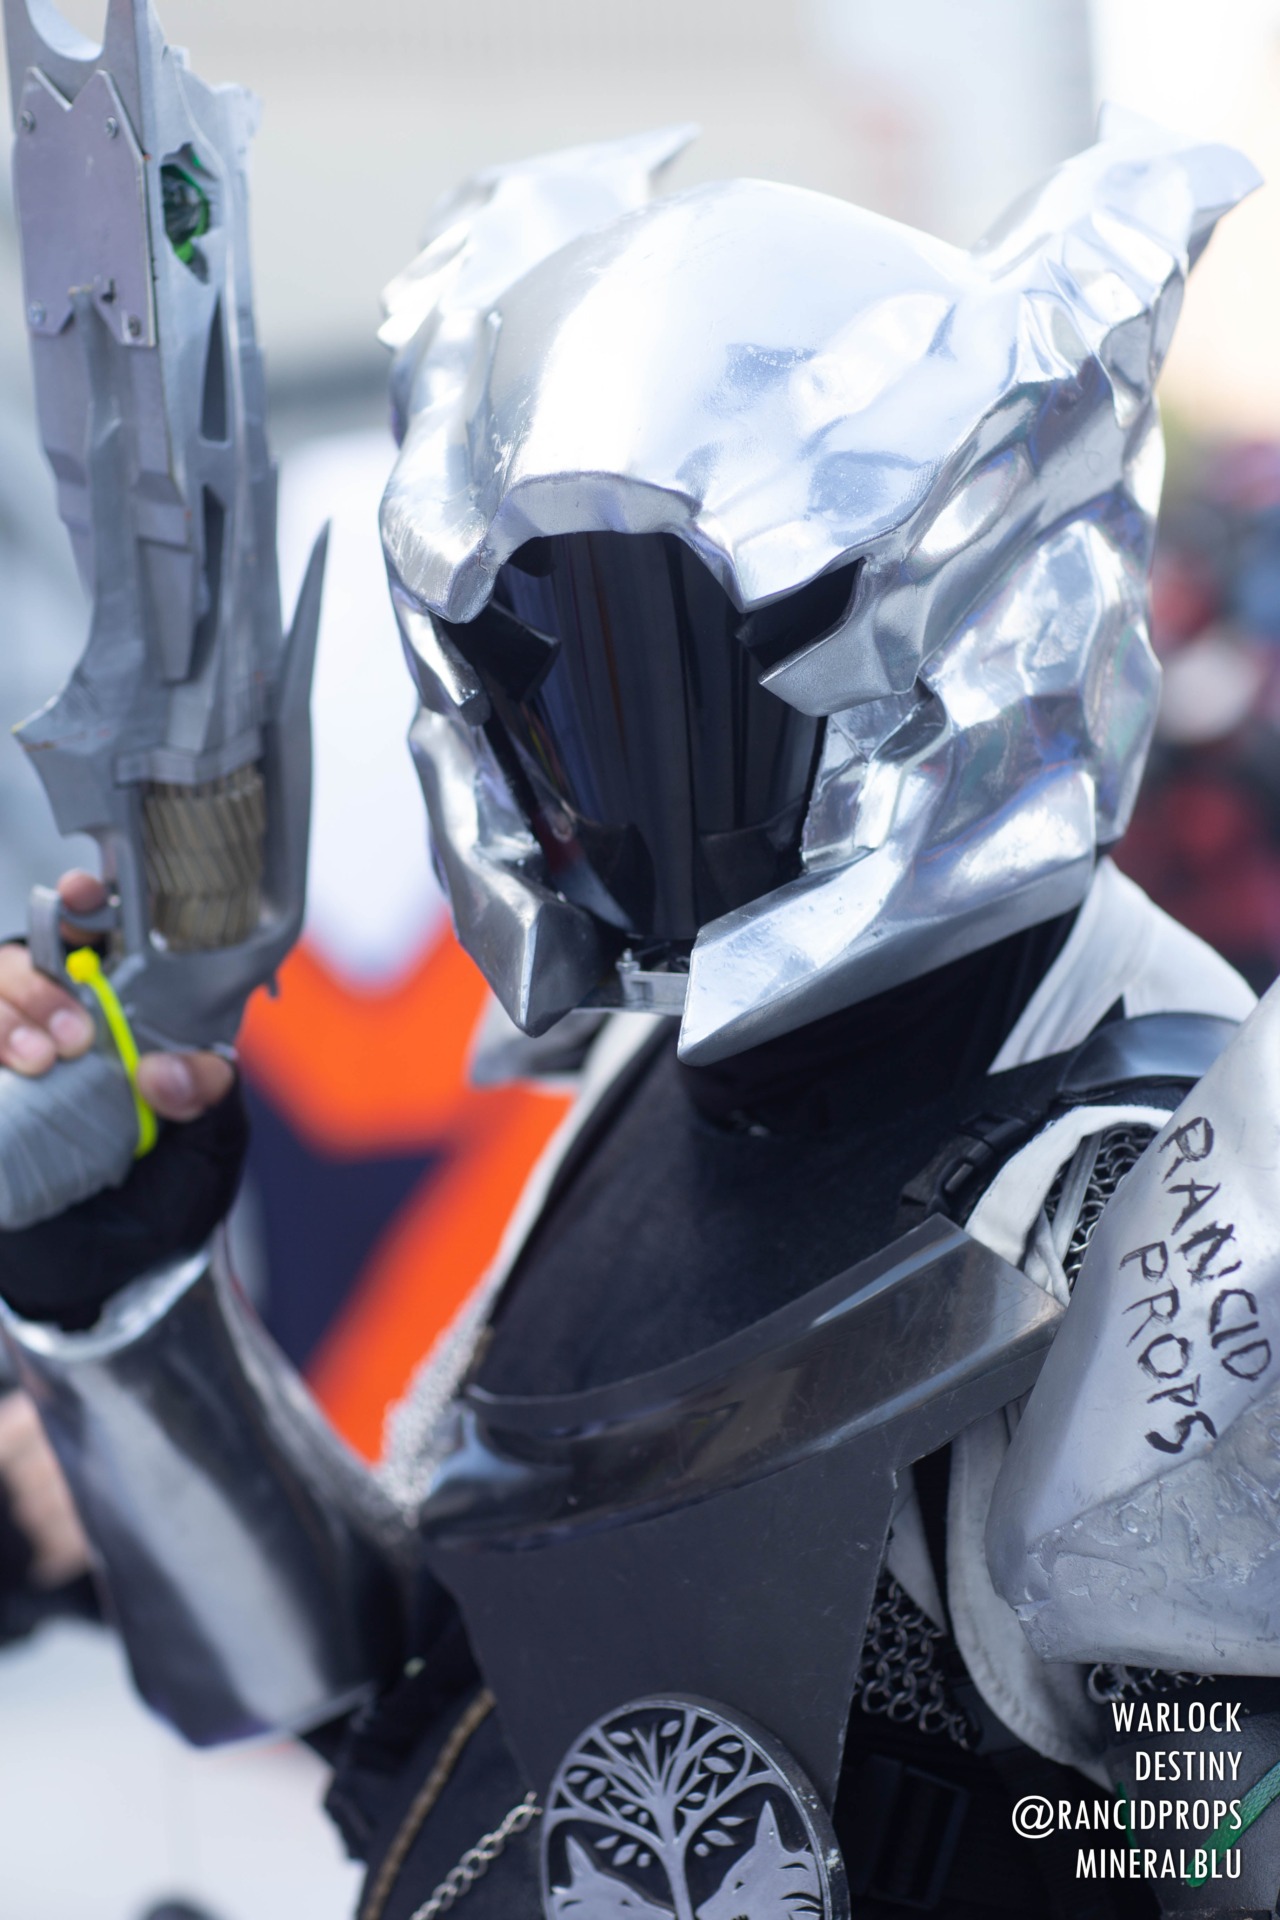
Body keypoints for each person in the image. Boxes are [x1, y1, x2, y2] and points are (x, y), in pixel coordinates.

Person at [1, 105, 1277, 1920]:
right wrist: (130, 1300)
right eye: (545, 665)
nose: (606, 767)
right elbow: (430, 1689)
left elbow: (1225, 1841)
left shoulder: (1160, 1205)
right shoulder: (655, 1082)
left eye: (679, 652)